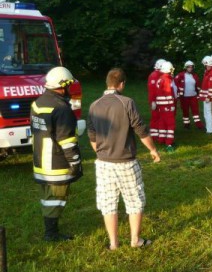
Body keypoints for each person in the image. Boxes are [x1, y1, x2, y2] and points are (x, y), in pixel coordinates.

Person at [87, 68, 161, 250]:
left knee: (108, 203)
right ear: (122, 84)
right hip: (126, 162)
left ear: (107, 83)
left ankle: (113, 243)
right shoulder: (127, 102)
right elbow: (140, 129)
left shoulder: (94, 105)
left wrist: (102, 153)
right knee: (135, 200)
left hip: (104, 163)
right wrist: (153, 149)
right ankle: (135, 240)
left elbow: (92, 136)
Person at [31, 66, 83, 241]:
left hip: (40, 161)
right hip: (56, 164)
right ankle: (51, 234)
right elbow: (67, 141)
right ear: (63, 85)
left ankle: (50, 230)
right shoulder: (61, 108)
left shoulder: (37, 103)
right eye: (68, 85)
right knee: (56, 198)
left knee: (48, 196)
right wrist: (75, 163)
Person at [174, 60, 205, 130]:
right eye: (188, 67)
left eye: (191, 67)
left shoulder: (195, 76)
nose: (190, 68)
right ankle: (186, 124)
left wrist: (199, 93)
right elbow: (174, 84)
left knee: (195, 111)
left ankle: (199, 125)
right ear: (185, 68)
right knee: (185, 111)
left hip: (193, 96)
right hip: (184, 97)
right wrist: (178, 94)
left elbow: (198, 85)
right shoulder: (180, 75)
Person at [155, 61, 177, 151]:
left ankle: (162, 139)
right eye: (171, 69)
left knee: (162, 123)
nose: (172, 70)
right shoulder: (167, 79)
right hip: (167, 105)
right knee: (171, 124)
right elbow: (168, 93)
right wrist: (172, 104)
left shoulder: (161, 78)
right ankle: (169, 143)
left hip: (161, 105)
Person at [147, 59, 165, 142]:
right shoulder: (154, 76)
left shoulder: (160, 75)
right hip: (156, 101)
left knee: (160, 117)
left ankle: (159, 134)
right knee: (155, 117)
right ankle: (154, 135)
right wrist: (153, 101)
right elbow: (152, 91)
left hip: (160, 100)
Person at [200, 55, 212, 134]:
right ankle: (209, 128)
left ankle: (210, 130)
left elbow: (211, 87)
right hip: (206, 97)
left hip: (208, 98)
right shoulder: (208, 72)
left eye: (205, 65)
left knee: (208, 113)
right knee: (207, 113)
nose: (205, 66)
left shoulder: (211, 74)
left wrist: (208, 96)